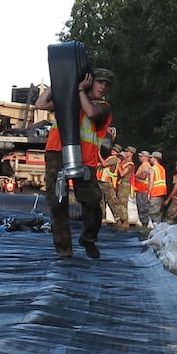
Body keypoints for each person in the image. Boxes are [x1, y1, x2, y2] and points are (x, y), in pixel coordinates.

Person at [33, 66, 113, 259]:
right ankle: (64, 250)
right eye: (99, 82)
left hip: (85, 158)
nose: (103, 87)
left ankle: (88, 239)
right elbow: (41, 104)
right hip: (57, 152)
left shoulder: (103, 106)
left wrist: (78, 90)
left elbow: (92, 113)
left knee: (92, 202)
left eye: (106, 84)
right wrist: (60, 82)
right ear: (89, 80)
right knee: (58, 202)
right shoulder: (68, 97)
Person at [132, 151, 155, 230]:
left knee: (142, 207)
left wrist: (134, 175)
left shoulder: (145, 165)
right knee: (142, 206)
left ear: (146, 157)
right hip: (141, 189)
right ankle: (144, 222)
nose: (139, 157)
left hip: (142, 189)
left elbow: (144, 176)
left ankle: (144, 223)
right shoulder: (144, 165)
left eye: (141, 156)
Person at [114, 146, 135, 230]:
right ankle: (121, 221)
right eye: (125, 151)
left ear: (131, 153)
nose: (126, 153)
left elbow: (122, 174)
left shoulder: (130, 164)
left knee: (123, 203)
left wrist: (118, 165)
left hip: (125, 184)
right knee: (119, 203)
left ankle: (125, 221)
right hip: (121, 183)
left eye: (127, 151)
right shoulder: (124, 162)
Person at [148, 150, 168, 226]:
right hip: (162, 192)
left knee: (153, 211)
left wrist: (149, 193)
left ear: (155, 158)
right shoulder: (162, 168)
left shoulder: (152, 169)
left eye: (151, 157)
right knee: (159, 211)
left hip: (155, 192)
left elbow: (151, 181)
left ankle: (154, 226)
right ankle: (158, 226)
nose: (150, 159)